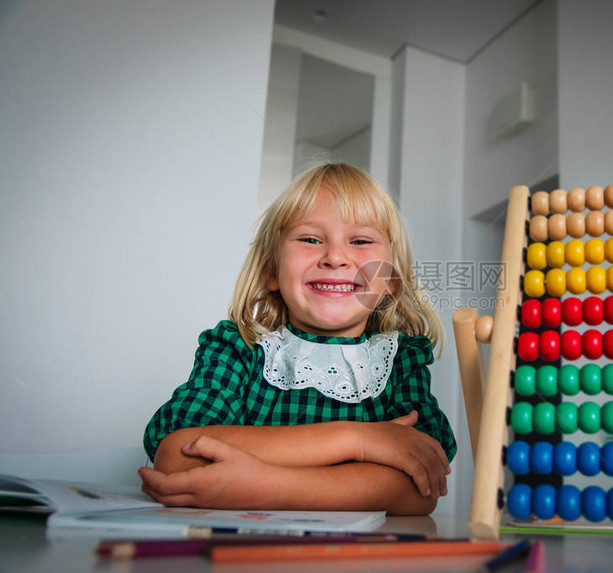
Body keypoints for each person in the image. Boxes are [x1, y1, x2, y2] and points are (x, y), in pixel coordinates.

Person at [139, 163, 456, 515]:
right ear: (272, 271)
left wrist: (263, 487)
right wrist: (361, 440)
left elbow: (422, 487)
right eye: (310, 239)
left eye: (361, 241)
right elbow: (175, 456)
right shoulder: (237, 350)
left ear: (391, 280)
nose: (335, 257)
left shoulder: (401, 362)